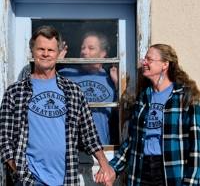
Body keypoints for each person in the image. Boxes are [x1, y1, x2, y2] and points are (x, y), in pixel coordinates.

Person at [0, 25, 114, 186]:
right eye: (41, 49)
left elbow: (89, 133)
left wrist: (104, 163)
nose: (46, 54)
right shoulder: (15, 92)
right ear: (32, 50)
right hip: (31, 181)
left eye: (51, 50)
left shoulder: (73, 90)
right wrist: (22, 173)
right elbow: (4, 139)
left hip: (66, 180)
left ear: (58, 53)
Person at [95, 44, 200, 186]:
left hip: (172, 170)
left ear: (165, 64)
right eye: (144, 59)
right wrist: (112, 169)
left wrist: (191, 181)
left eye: (149, 60)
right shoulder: (144, 96)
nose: (143, 63)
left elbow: (197, 145)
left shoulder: (186, 96)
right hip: (141, 169)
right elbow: (133, 140)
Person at [58, 31, 118, 145]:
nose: (84, 52)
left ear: (103, 53)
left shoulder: (111, 78)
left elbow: (123, 112)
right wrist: (56, 64)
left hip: (102, 146)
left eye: (91, 48)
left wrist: (118, 84)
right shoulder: (66, 74)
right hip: (70, 148)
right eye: (83, 48)